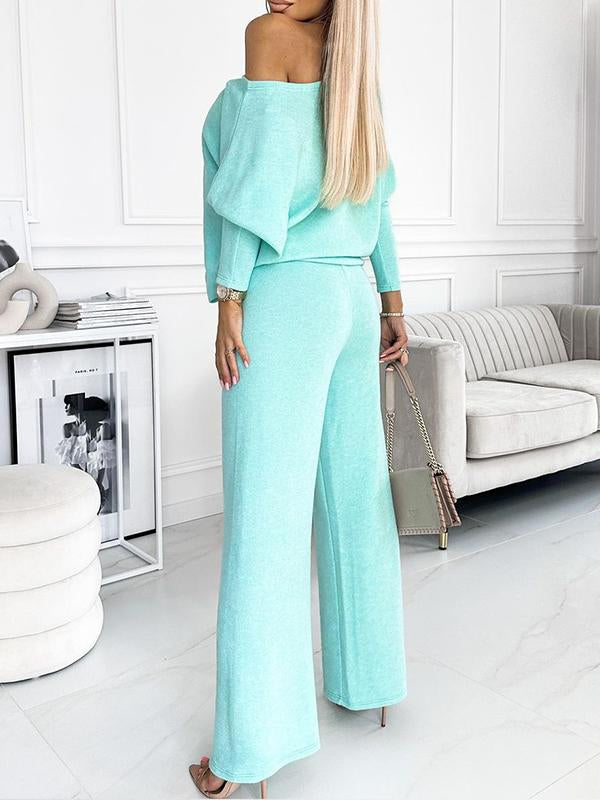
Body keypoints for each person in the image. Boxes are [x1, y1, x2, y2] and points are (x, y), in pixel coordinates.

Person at [190, 1, 409, 797]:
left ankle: (243, 755)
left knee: (265, 522)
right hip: (350, 298)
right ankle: (369, 683)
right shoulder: (353, 65)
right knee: (357, 501)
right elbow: (376, 197)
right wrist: (391, 300)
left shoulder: (269, 37)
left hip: (283, 299)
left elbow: (254, 186)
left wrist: (230, 298)